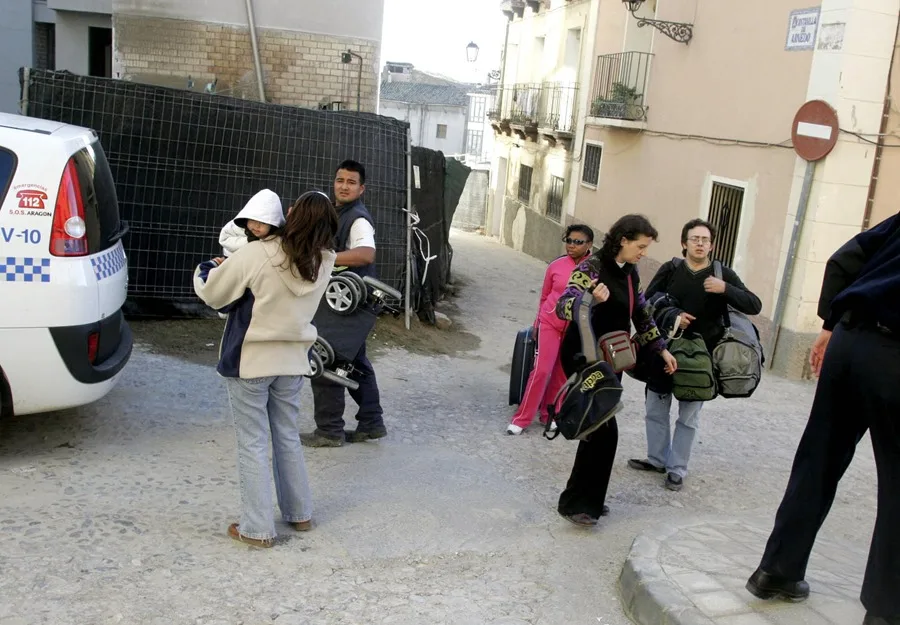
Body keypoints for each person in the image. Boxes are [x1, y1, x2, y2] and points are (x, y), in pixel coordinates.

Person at [746, 212, 900, 625]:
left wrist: (832, 325)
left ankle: (775, 573)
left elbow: (842, 260)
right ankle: (888, 612)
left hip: (849, 340)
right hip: (894, 356)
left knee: (818, 460)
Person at [193, 191, 338, 548]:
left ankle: (256, 528)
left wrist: (206, 270)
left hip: (252, 360)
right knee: (287, 435)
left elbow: (214, 293)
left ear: (294, 216)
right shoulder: (327, 259)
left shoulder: (258, 253)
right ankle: (299, 513)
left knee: (253, 443)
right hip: (293, 361)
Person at [554, 214, 678, 526]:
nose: (643, 252)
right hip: (584, 355)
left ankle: (585, 500)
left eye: (646, 247)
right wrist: (589, 298)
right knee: (601, 430)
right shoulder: (592, 266)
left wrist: (662, 348)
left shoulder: (631, 272)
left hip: (612, 358)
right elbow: (562, 305)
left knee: (596, 429)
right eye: (640, 246)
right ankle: (580, 503)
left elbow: (642, 314)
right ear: (623, 240)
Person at [628, 218, 761, 491]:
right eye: (694, 239)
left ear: (711, 245)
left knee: (688, 416)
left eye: (705, 240)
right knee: (655, 407)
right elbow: (646, 303)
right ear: (684, 243)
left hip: (701, 358)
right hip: (664, 350)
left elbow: (754, 304)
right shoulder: (672, 269)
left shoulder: (722, 275)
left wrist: (726, 289)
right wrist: (672, 314)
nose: (700, 244)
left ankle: (676, 468)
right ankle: (657, 459)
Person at [301, 160, 386, 448]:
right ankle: (372, 423)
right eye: (340, 180)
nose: (344, 186)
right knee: (354, 363)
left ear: (362, 188)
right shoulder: (337, 213)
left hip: (350, 306)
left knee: (326, 360)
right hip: (349, 306)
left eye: (351, 182)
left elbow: (365, 254)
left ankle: (329, 431)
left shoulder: (358, 218)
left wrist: (327, 258)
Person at [507, 224, 594, 435]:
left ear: (589, 245)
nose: (571, 245)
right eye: (569, 240)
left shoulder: (594, 269)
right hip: (550, 323)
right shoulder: (556, 265)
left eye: (578, 242)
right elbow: (545, 297)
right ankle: (522, 418)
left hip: (575, 329)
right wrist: (537, 324)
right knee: (541, 370)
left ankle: (550, 414)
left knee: (561, 374)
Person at [218, 189, 286, 257]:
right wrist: (247, 240)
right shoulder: (237, 227)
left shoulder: (275, 238)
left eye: (263, 223)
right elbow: (224, 239)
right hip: (231, 258)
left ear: (272, 225)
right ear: (247, 217)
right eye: (253, 220)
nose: (257, 226)